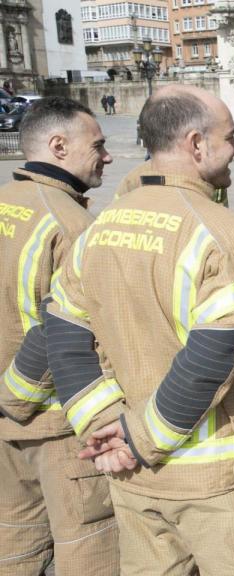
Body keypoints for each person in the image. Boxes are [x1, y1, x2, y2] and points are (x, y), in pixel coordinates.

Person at [43, 85, 234, 575]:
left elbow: (63, 330)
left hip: (134, 478)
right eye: (230, 137)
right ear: (196, 144)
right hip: (219, 483)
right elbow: (212, 357)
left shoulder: (100, 225)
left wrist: (105, 428)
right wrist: (139, 437)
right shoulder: (219, 232)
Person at [0, 97, 118, 574]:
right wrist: (16, 397)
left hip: (5, 424)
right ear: (58, 146)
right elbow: (66, 327)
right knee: (89, 546)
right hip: (54, 423)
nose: (107, 156)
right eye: (98, 145)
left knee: (14, 542)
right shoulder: (73, 225)